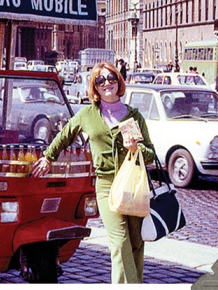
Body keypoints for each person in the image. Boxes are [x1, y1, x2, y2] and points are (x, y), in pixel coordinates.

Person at [33, 61, 155, 284]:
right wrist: (49, 157)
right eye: (101, 80)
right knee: (119, 243)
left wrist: (136, 149)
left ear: (119, 82)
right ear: (95, 88)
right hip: (107, 185)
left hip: (134, 184)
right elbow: (65, 135)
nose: (107, 83)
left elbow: (150, 154)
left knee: (136, 243)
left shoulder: (133, 116)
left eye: (111, 79)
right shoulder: (87, 115)